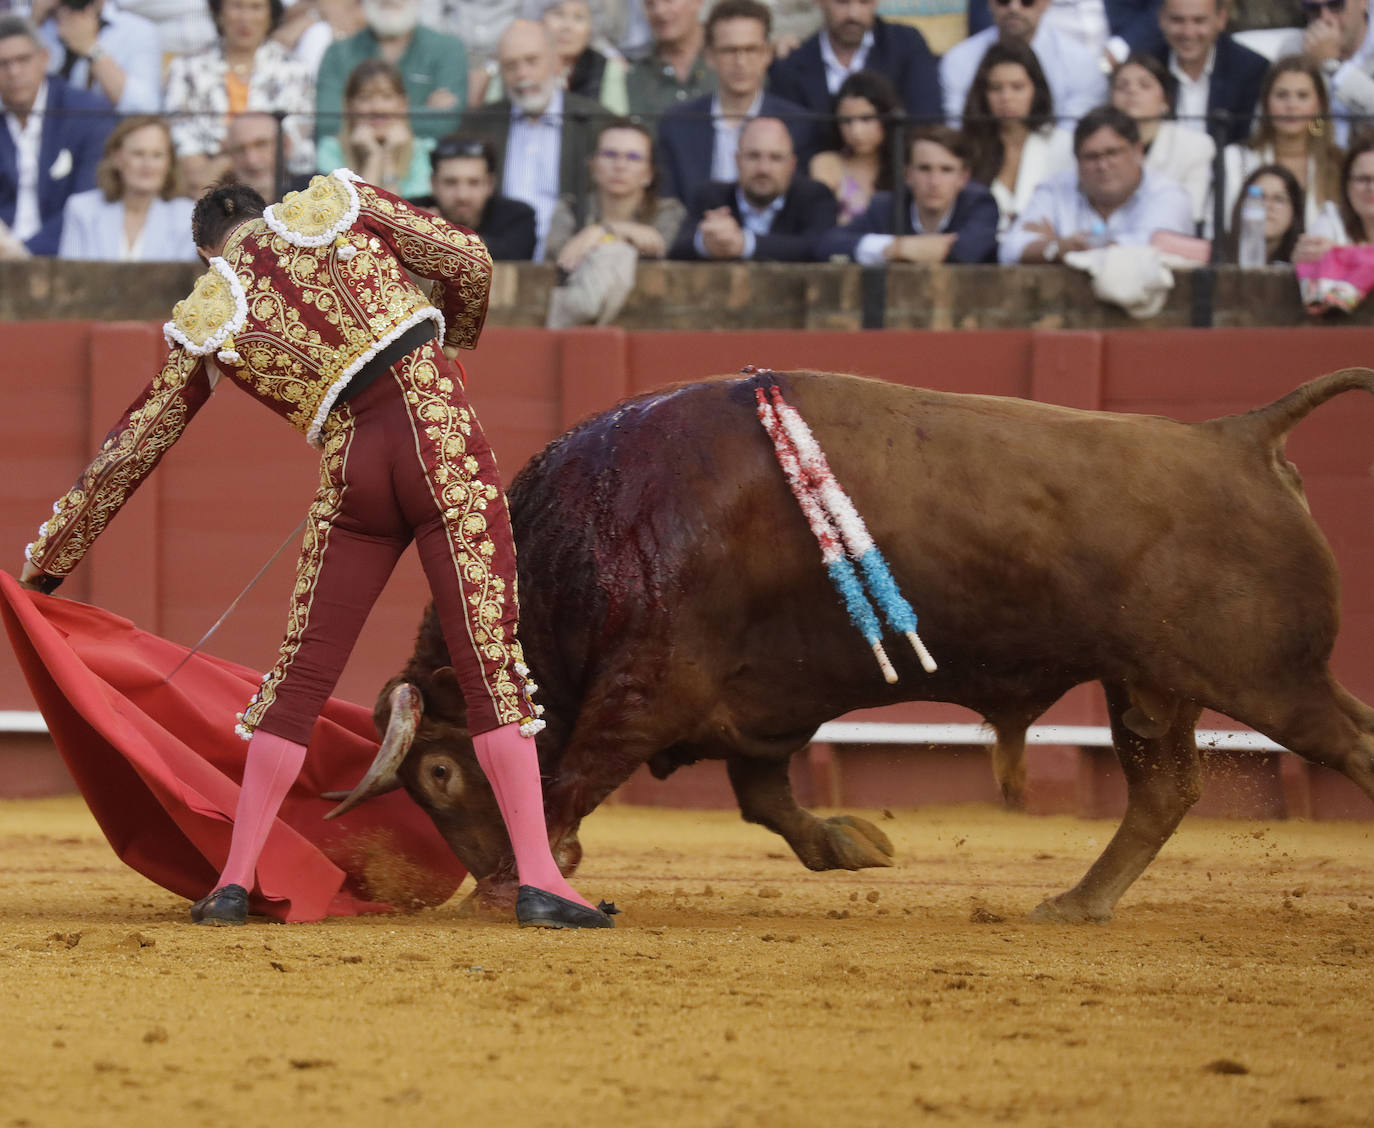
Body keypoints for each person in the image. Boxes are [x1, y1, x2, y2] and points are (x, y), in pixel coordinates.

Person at [18, 172, 617, 931]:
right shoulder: (335, 205)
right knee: (488, 665)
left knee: (297, 680)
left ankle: (234, 880)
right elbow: (469, 260)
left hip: (352, 473)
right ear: (265, 209)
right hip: (436, 437)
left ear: (207, 253)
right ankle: (538, 879)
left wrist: (49, 561)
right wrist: (452, 338)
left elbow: (134, 444)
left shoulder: (213, 308)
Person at [461, 19, 608, 259]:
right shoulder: (479, 124)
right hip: (498, 263)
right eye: (510, 66)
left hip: (575, 259)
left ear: (556, 62)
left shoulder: (596, 122)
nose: (522, 74)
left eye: (532, 61)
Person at [655, 0, 812, 202]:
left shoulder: (799, 125)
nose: (741, 62)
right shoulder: (677, 125)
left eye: (751, 50)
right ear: (710, 56)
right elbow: (668, 203)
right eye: (729, 51)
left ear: (767, 54)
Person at [999, 103, 1194, 261]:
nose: (1103, 165)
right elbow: (1010, 250)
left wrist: (1066, 248)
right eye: (1091, 157)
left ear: (1138, 151)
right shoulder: (1055, 188)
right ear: (1077, 161)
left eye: (1112, 153)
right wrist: (1056, 248)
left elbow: (1152, 249)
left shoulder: (1169, 195)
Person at [163, 0, 316, 194]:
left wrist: (233, 157)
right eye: (237, 6)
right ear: (219, 12)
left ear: (270, 14)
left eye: (256, 7)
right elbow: (184, 144)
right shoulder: (186, 69)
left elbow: (294, 142)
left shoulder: (295, 70)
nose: (246, 18)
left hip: (279, 188)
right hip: (207, 188)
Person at [545, 117, 685, 323]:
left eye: (633, 157)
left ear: (649, 173)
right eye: (610, 154)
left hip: (654, 321)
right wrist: (622, 234)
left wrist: (601, 232)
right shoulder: (571, 208)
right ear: (592, 165)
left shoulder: (669, 211)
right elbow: (560, 254)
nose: (620, 165)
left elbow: (661, 246)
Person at [0, 16, 113, 258]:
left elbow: (90, 199)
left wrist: (24, 252)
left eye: (23, 59)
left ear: (44, 58)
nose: (13, 72)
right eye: (3, 63)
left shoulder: (87, 113)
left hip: (67, 256)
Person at [815, 124, 1000, 262]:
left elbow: (968, 252)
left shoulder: (980, 204)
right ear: (908, 175)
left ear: (964, 178)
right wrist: (895, 248)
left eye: (946, 170)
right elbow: (827, 244)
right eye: (924, 169)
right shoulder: (886, 207)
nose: (934, 182)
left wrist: (912, 249)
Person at [668, 113, 838, 259]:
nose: (763, 169)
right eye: (753, 156)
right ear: (737, 160)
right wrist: (707, 242)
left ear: (792, 165)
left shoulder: (814, 197)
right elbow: (678, 247)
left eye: (775, 158)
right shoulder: (710, 197)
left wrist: (743, 244)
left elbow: (817, 246)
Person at [1221, 55, 1344, 234]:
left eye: (1302, 96)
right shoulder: (1235, 159)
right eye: (1282, 95)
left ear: (1319, 106)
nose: (1291, 105)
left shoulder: (1340, 163)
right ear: (1266, 104)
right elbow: (1223, 227)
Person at [314, 0, 468, 143]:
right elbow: (328, 122)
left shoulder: (448, 49)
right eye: (364, 98)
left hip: (428, 160)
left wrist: (360, 116)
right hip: (351, 159)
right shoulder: (339, 53)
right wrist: (422, 113)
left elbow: (445, 121)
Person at [961, 37, 1073, 231]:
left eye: (1017, 87)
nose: (1006, 97)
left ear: (1036, 90)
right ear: (983, 94)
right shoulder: (966, 146)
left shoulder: (1063, 144)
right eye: (996, 88)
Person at [767, 0, 942, 123]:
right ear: (819, 2)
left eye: (864, 2)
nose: (853, 14)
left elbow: (926, 121)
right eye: (842, 2)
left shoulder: (906, 46)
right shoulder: (790, 65)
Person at [941, 0, 1107, 127]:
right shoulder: (958, 59)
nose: (1014, 8)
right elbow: (958, 126)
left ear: (1047, 3)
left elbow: (1074, 131)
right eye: (1003, 1)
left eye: (1027, 1)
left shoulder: (1080, 61)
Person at [57, 114, 198, 260]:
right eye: (138, 154)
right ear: (117, 158)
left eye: (157, 155)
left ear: (169, 163)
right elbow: (69, 272)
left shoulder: (187, 217)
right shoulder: (82, 210)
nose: (147, 165)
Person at [1110, 50, 1215, 225]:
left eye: (1144, 85)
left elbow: (1191, 213)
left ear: (1165, 101)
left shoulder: (1195, 146)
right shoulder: (1095, 144)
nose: (1132, 91)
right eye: (1122, 86)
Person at [1152, 0, 1266, 145]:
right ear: (1161, 19)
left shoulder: (1250, 69)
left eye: (1199, 21)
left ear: (1221, 20)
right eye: (1178, 20)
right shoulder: (1145, 67)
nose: (1188, 33)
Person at [317, 59, 432, 198]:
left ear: (402, 103)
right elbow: (358, 210)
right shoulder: (330, 150)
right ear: (349, 105)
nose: (377, 107)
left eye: (386, 96)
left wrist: (389, 158)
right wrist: (373, 157)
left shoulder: (421, 150)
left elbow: (401, 211)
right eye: (365, 98)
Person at [33, 0, 162, 114]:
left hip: (107, 128)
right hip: (42, 126)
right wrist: (35, 20)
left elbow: (145, 109)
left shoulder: (136, 30)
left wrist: (92, 49)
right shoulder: (38, 23)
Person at [807, 69, 901, 224]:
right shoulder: (827, 164)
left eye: (866, 119)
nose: (856, 132)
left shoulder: (906, 164)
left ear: (886, 117)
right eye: (846, 121)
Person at [427, 133, 537, 260]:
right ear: (433, 184)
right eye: (450, 183)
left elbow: (515, 255)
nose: (462, 195)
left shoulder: (518, 216)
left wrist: (438, 234)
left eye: (474, 183)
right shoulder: (411, 212)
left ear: (490, 184)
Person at [525, 0, 630, 113]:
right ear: (540, 20)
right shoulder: (522, 63)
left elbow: (616, 119)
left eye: (578, 18)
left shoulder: (607, 68)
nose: (567, 26)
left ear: (591, 27)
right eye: (558, 14)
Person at [625, 0, 715, 119]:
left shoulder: (727, 59)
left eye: (669, 1)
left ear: (697, 2)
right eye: (650, 4)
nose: (659, 11)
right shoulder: (634, 74)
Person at [222, 109, 312, 201]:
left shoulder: (313, 190)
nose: (252, 160)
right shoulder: (224, 202)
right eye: (239, 149)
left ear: (285, 145)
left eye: (261, 145)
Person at [1226, 162, 1303, 263]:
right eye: (1259, 197)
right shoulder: (1216, 254)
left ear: (1295, 211)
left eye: (1279, 199)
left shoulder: (1305, 262)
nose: (1267, 206)